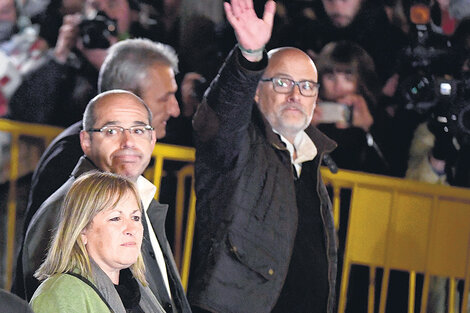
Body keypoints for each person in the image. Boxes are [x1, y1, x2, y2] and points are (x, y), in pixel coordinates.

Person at [188, 1, 337, 312]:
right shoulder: (236, 145)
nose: (296, 95)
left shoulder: (312, 159)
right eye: (282, 83)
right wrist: (249, 56)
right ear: (257, 91)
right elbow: (222, 113)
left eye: (306, 86)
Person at [20, 90, 191, 313]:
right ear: (86, 141)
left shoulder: (143, 197)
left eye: (138, 130)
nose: (128, 142)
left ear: (153, 138)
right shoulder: (62, 207)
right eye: (111, 131)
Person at [30, 171, 165, 313]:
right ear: (81, 230)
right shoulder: (59, 295)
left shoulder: (138, 291)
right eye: (115, 218)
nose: (132, 229)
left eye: (136, 217)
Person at [312, 40, 392, 175]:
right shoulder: (307, 113)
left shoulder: (378, 117)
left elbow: (392, 169)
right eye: (331, 77)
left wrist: (369, 128)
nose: (338, 86)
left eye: (347, 79)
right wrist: (307, 130)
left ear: (361, 81)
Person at [294, 0, 407, 84]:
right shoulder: (304, 37)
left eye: (345, 0)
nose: (337, 7)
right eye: (329, 0)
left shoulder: (394, 43)